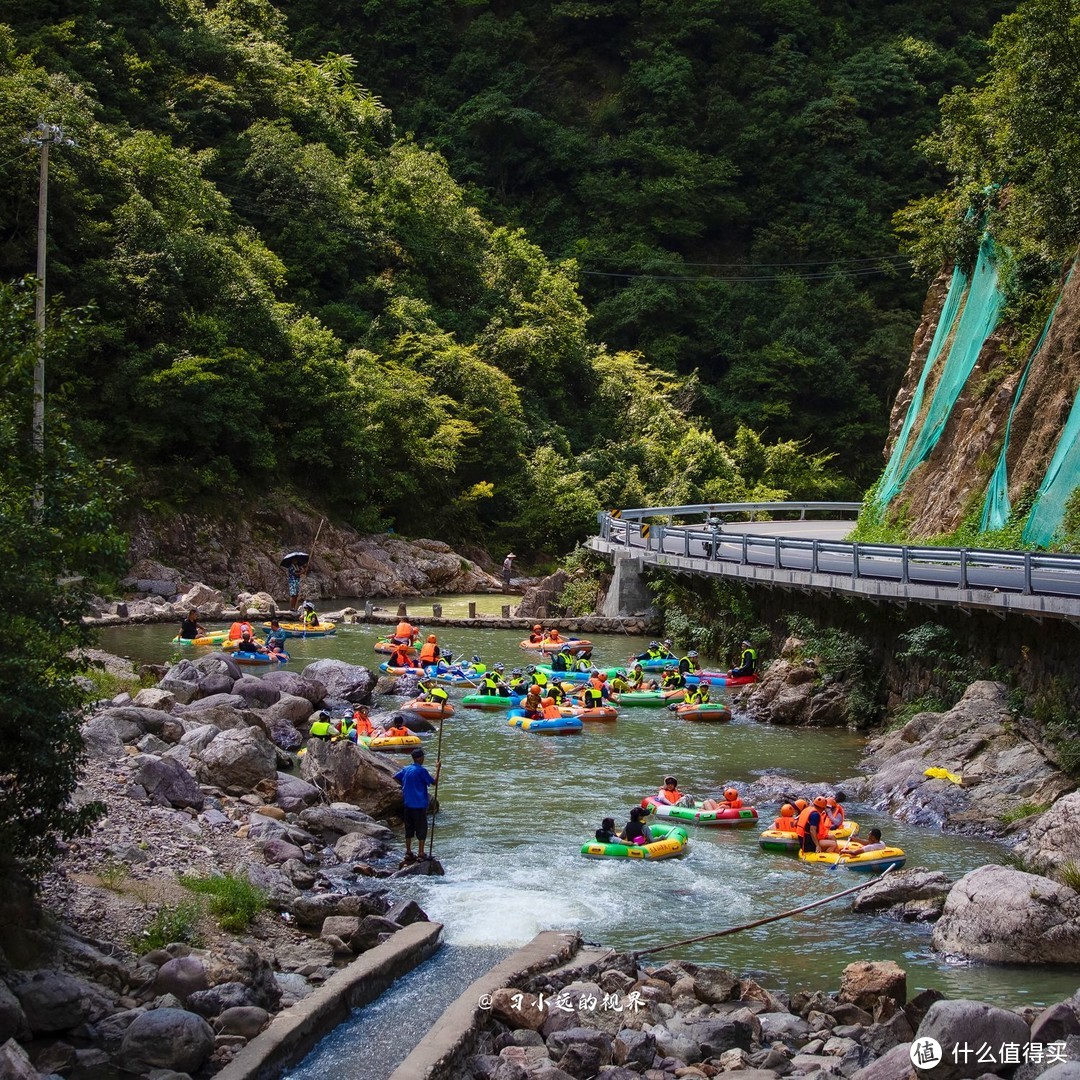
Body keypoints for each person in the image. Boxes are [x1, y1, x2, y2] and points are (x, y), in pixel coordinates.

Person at [394, 747, 440, 863]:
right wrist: (438, 769)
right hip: (419, 805)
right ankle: (420, 853)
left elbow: (395, 777)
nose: (424, 758)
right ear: (419, 758)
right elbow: (434, 782)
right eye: (423, 756)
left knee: (409, 828)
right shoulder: (421, 771)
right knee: (421, 829)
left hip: (408, 804)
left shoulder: (406, 769)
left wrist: (406, 785)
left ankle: (408, 852)